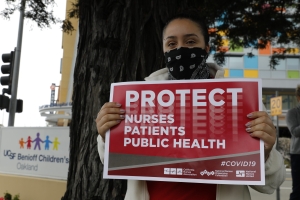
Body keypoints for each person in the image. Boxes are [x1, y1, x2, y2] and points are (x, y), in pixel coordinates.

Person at [95, 10, 286, 200]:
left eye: (191, 42)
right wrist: (108, 136)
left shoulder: (241, 102)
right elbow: (116, 162)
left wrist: (265, 153)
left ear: (206, 48)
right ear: (164, 50)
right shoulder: (137, 101)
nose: (180, 49)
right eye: (172, 43)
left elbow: (271, 184)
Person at [286, 85, 300, 200]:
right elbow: (295, 131)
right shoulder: (292, 112)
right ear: (298, 98)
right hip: (298, 155)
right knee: (298, 189)